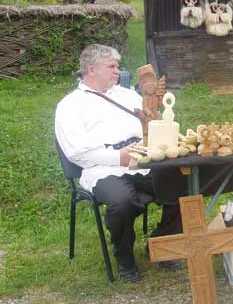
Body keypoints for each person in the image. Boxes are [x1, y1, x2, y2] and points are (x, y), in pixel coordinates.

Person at [55, 44, 182, 282]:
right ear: (92, 69)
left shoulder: (126, 95)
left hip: (142, 160)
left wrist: (155, 117)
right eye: (112, 67)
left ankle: (161, 244)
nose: (117, 71)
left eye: (117, 66)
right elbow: (76, 152)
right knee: (122, 202)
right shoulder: (70, 106)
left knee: (181, 185)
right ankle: (125, 259)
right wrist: (118, 157)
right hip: (102, 169)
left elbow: (149, 118)